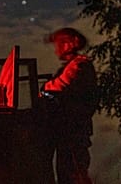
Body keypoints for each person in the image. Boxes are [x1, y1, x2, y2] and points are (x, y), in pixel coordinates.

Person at [40, 27, 98, 184]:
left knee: (74, 174)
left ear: (69, 44)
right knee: (67, 174)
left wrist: (44, 89)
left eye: (59, 44)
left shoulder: (79, 65)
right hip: (68, 132)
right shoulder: (71, 66)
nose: (56, 49)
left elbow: (61, 85)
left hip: (74, 132)